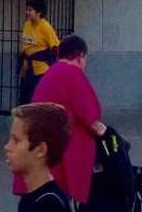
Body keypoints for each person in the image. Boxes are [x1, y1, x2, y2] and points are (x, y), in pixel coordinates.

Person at [16, 35, 106, 207]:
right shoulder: (72, 73)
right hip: (60, 153)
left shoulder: (53, 72)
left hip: (43, 149)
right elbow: (90, 116)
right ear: (80, 56)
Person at [6, 103, 72, 212]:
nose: (7, 147)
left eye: (16, 140)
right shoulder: (34, 197)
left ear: (41, 150)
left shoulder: (47, 205)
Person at [19, 0, 59, 105]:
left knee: (38, 102)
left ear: (38, 12)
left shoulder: (45, 27)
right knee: (25, 102)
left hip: (41, 71)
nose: (27, 12)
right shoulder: (27, 25)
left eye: (30, 10)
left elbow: (55, 47)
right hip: (27, 69)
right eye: (27, 9)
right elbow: (26, 46)